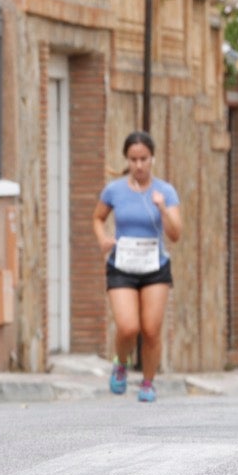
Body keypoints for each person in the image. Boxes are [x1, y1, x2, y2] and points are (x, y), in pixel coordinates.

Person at [92, 130, 183, 403]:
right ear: (127, 160)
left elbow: (176, 234)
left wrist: (163, 209)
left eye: (143, 159)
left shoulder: (165, 191)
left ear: (152, 158)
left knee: (151, 329)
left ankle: (148, 382)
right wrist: (103, 239)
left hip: (155, 267)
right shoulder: (114, 190)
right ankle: (120, 364)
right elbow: (97, 218)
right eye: (133, 160)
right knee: (128, 326)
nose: (139, 165)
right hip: (122, 265)